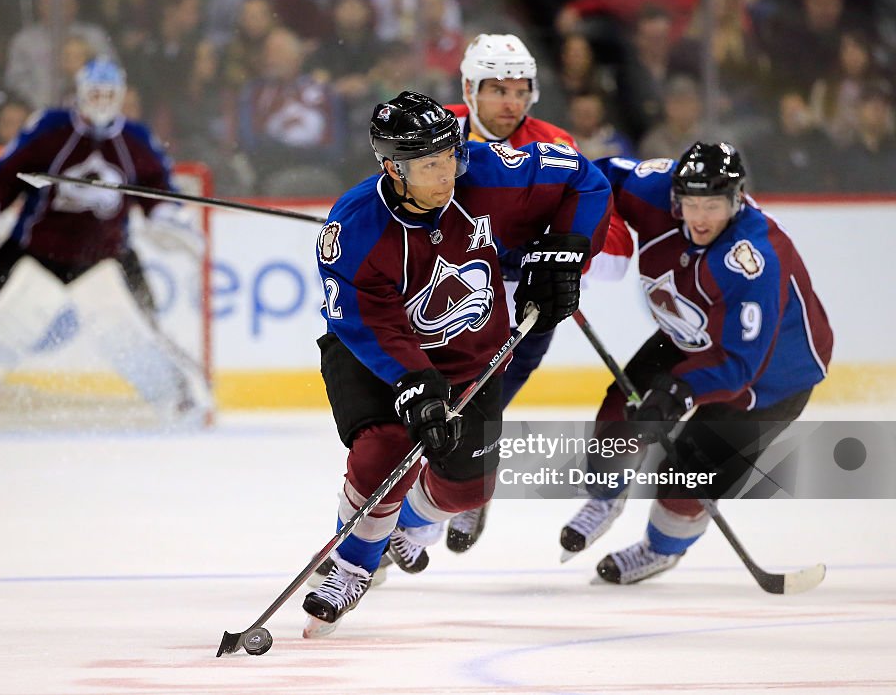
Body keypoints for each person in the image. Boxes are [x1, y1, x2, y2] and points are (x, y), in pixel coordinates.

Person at [302, 91, 612, 637]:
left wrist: (566, 249)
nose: (447, 174)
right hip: (374, 357)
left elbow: (586, 182)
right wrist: (413, 382)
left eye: (451, 156)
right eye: (429, 164)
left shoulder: (490, 174)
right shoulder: (353, 226)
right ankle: (349, 568)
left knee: (468, 489)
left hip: (471, 360)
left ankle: (408, 524)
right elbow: (366, 322)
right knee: (387, 448)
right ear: (392, 167)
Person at [558, 143, 833, 584]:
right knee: (621, 407)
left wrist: (675, 394)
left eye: (715, 205)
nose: (701, 217)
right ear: (675, 198)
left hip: (769, 379)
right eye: (691, 203)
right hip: (688, 332)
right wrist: (562, 237)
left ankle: (659, 549)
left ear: (737, 199)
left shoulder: (752, 261)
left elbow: (738, 365)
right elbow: (591, 177)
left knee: (688, 475)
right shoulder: (651, 189)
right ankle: (606, 495)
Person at [0, 58, 211, 433]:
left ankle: (179, 404)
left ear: (120, 96)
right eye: (94, 93)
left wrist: (171, 221)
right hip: (36, 254)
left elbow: (158, 191)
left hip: (105, 257)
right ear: (80, 93)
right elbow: (4, 179)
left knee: (133, 336)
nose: (101, 101)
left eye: (108, 94)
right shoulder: (51, 129)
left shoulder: (135, 139)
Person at [440, 34, 634, 554]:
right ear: (469, 88)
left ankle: (467, 490)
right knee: (425, 412)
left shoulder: (552, 146)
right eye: (497, 89)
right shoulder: (435, 132)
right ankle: (382, 536)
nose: (511, 102)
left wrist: (562, 253)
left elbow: (611, 245)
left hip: (524, 311)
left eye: (521, 89)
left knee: (477, 412)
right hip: (451, 302)